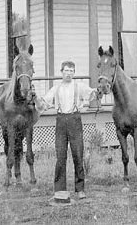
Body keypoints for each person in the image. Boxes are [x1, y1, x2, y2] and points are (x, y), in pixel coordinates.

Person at [41, 60, 96, 204]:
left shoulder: (79, 86)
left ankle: (80, 189)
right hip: (60, 121)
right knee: (61, 156)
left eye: (71, 71)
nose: (69, 74)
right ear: (61, 72)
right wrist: (36, 99)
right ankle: (60, 189)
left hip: (75, 120)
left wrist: (97, 93)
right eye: (66, 71)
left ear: (74, 73)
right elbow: (44, 103)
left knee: (78, 154)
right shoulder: (56, 88)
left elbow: (93, 94)